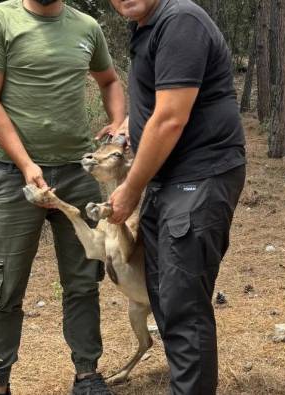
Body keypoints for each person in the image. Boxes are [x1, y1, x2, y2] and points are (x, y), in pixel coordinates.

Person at [0, 0, 126, 393]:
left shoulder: (86, 26)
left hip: (77, 174)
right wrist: (26, 165)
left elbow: (109, 79)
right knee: (3, 284)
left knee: (84, 280)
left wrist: (118, 120)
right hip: (14, 177)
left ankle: (87, 373)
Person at [107, 0, 246, 394]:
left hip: (199, 175)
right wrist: (125, 131)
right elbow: (153, 108)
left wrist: (131, 186)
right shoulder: (147, 27)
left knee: (183, 304)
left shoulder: (180, 20)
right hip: (168, 181)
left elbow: (170, 118)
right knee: (165, 296)